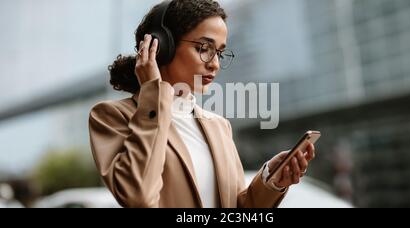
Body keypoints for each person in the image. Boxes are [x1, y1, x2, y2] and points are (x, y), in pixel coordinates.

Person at [88, 0, 315, 208]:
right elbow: (138, 195)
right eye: (203, 49)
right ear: (162, 47)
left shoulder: (219, 126)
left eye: (220, 53)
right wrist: (153, 93)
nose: (215, 64)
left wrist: (270, 180)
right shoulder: (111, 116)